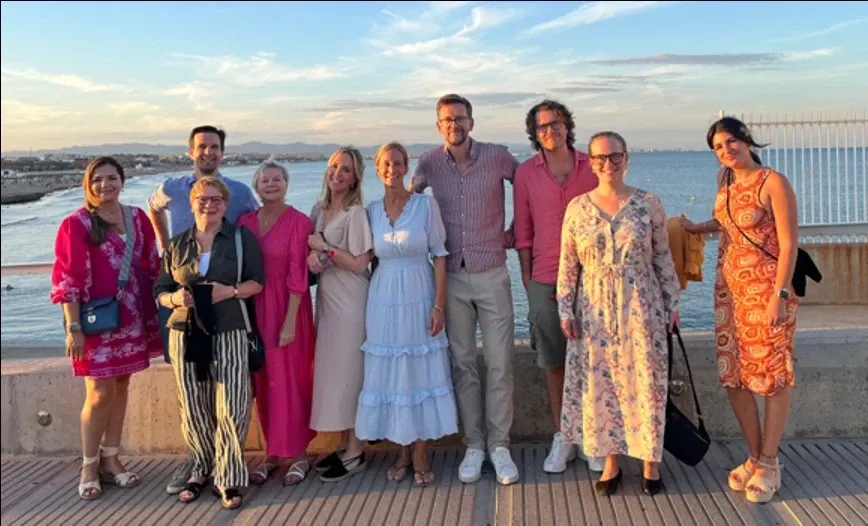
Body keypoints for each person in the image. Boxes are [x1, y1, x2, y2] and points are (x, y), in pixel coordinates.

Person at [681, 116, 799, 503]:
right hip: (728, 292)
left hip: (766, 292)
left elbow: (789, 243)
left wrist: (779, 297)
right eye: (717, 146)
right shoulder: (725, 180)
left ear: (746, 140)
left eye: (731, 142)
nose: (726, 151)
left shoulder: (773, 182)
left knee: (771, 377)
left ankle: (770, 462)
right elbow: (728, 220)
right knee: (734, 377)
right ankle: (753, 456)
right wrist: (699, 227)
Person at [557, 131, 680, 497]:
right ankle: (610, 462)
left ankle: (650, 462)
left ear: (626, 159)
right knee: (602, 385)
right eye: (599, 158)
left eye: (614, 156)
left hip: (641, 306)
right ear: (590, 163)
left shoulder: (648, 204)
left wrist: (672, 304)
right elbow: (568, 264)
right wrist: (566, 307)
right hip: (594, 310)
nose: (607, 164)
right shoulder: (577, 208)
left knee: (646, 383)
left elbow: (662, 256)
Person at [411, 94, 520, 486]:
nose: (454, 124)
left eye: (460, 117)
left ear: (471, 122)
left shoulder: (498, 156)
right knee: (462, 364)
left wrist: (517, 232)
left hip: (491, 272)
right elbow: (409, 204)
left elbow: (527, 187)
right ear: (439, 126)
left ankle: (500, 445)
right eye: (446, 119)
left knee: (499, 361)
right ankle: (474, 444)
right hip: (450, 277)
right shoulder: (427, 163)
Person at [147, 125, 259, 494]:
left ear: (226, 203)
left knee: (232, 403)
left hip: (228, 325)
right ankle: (199, 466)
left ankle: (228, 476)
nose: (208, 204)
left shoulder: (241, 231)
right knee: (194, 403)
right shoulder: (177, 238)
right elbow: (161, 288)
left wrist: (230, 291)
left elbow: (258, 280)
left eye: (215, 200)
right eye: (202, 200)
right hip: (186, 327)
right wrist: (174, 298)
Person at [50, 156, 162, 500]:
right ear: (88, 184)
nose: (105, 185)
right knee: (98, 394)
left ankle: (112, 459)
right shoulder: (77, 224)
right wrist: (73, 328)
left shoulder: (138, 218)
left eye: (112, 178)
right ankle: (88, 464)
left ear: (123, 181)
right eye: (97, 180)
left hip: (132, 319)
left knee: (122, 385)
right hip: (96, 322)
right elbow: (68, 277)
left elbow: (152, 264)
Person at [355, 142, 458, 486]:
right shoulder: (370, 210)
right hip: (383, 298)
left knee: (420, 372)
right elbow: (360, 257)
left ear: (406, 166)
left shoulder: (425, 206)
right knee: (392, 375)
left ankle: (420, 453)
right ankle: (401, 449)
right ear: (377, 167)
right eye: (386, 163)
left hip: (419, 292)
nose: (392, 169)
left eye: (398, 163)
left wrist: (439, 305)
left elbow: (440, 255)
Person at [513, 100, 601, 474]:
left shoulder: (592, 167)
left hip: (594, 280)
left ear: (568, 126)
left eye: (556, 123)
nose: (550, 130)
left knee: (596, 361)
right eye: (543, 126)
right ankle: (564, 435)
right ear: (535, 134)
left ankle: (594, 436)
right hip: (545, 278)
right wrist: (529, 282)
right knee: (553, 362)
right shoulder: (525, 174)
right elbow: (523, 233)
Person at [237, 160, 316, 486]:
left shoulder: (299, 221)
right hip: (254, 310)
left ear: (286, 184)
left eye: (277, 179)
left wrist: (289, 323)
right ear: (256, 187)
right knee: (264, 383)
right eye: (264, 180)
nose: (271, 184)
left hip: (289, 309)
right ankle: (272, 452)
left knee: (291, 383)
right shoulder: (246, 222)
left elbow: (299, 274)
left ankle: (297, 453)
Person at [307, 147, 374, 483]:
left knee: (352, 374)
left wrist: (325, 249)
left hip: (351, 303)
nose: (337, 174)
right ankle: (347, 442)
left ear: (355, 178)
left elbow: (361, 262)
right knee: (338, 375)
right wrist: (313, 257)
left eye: (345, 170)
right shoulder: (319, 211)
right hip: (329, 303)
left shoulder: (356, 213)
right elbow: (309, 250)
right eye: (334, 167)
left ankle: (356, 451)